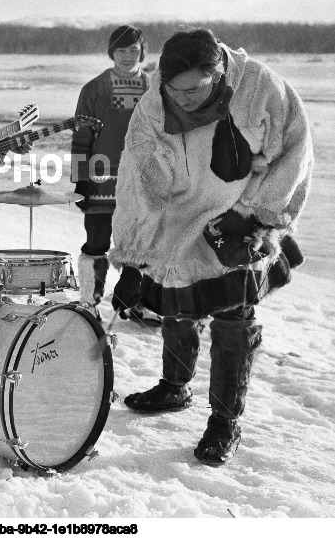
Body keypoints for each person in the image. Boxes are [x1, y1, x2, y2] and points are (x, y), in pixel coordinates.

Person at [109, 28, 313, 464]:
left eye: (193, 90)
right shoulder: (151, 107)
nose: (181, 100)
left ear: (217, 71)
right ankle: (175, 386)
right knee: (176, 298)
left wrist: (257, 215)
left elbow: (296, 153)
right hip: (179, 211)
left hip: (242, 212)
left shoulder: (262, 88)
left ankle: (224, 421)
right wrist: (132, 258)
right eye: (172, 90)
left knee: (234, 316)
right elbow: (136, 183)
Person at [70, 25, 150, 319]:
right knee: (97, 243)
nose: (128, 56)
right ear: (111, 53)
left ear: (142, 52)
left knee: (138, 245)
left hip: (141, 183)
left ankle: (132, 302)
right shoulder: (94, 89)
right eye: (121, 50)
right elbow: (81, 138)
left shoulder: (152, 90)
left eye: (133, 50)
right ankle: (89, 304)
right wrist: (80, 179)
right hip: (101, 180)